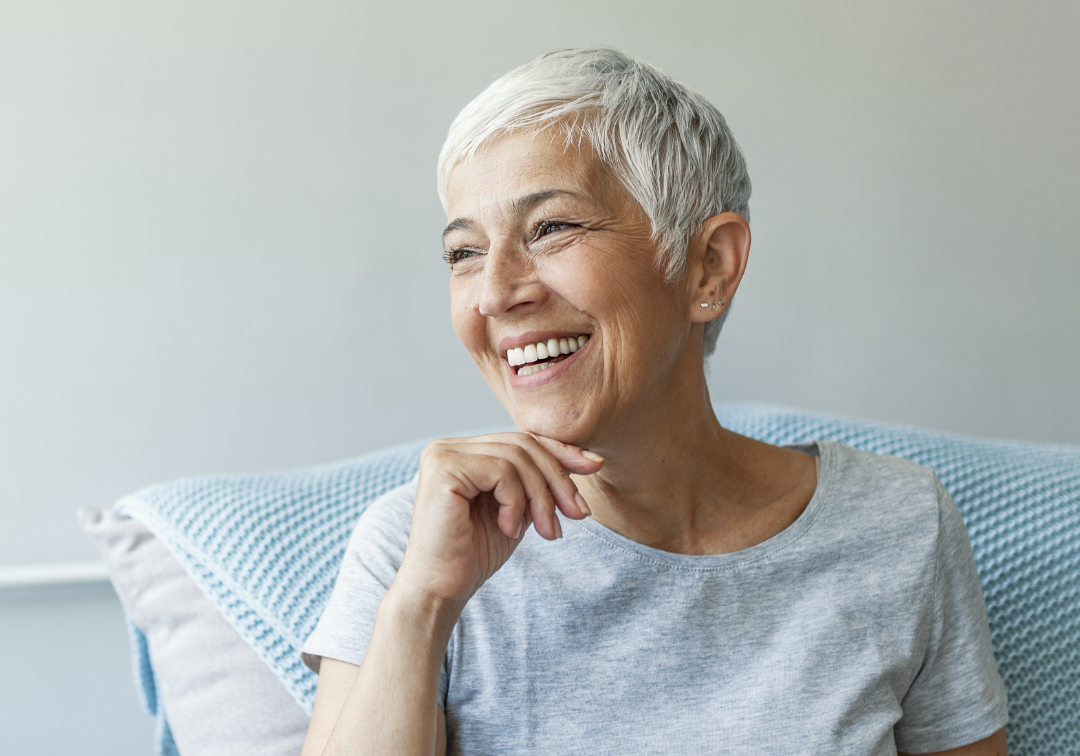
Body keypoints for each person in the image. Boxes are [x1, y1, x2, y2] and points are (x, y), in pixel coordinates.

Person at [299, 47, 1008, 756]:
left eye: (550, 228)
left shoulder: (900, 526)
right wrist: (422, 608)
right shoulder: (411, 547)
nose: (494, 293)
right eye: (464, 253)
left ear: (709, 267)